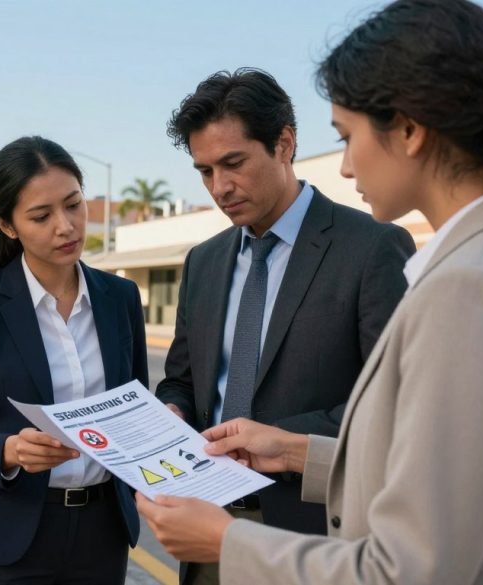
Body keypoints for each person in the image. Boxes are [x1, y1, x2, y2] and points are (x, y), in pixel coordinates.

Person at [138, 1, 483, 583]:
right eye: (205, 172)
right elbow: (434, 471)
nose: (343, 166)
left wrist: (229, 540)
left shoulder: (472, 286)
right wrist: (290, 451)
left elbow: (408, 569)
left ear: (409, 129)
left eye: (347, 135)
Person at [155, 68, 414, 583]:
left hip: (316, 536)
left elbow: (396, 405)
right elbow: (181, 378)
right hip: (207, 528)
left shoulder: (371, 248)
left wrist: (281, 441)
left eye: (233, 163)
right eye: (204, 171)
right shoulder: (203, 263)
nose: (220, 188)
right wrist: (172, 409)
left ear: (284, 144)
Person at [0, 136, 148, 584]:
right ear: (8, 226)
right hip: (2, 540)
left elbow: (135, 406)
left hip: (100, 536)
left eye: (73, 205)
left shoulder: (120, 298)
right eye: (41, 216)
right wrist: (9, 451)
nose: (66, 226)